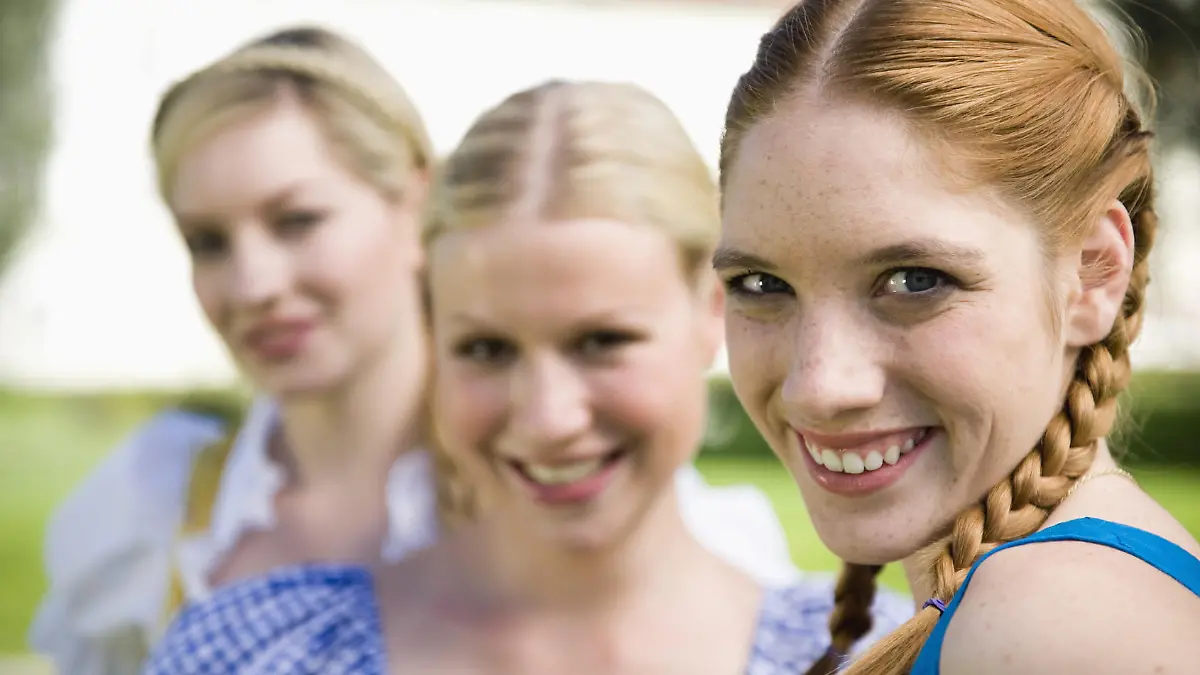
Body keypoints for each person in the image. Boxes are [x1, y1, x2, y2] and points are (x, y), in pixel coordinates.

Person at [30, 26, 810, 675]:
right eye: (207, 240)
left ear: (414, 200)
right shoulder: (191, 549)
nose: (256, 282)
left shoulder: (778, 607)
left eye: (298, 219)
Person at [714, 1, 1200, 674]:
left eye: (915, 280)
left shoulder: (1054, 629)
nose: (819, 385)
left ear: (1092, 274)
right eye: (761, 285)